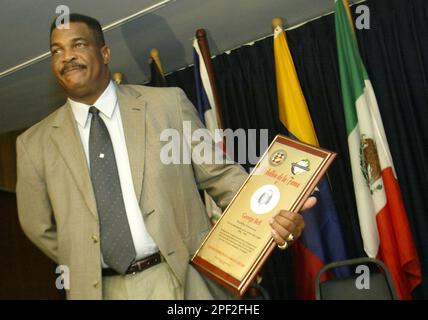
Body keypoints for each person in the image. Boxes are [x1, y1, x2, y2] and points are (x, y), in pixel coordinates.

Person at [16, 13, 316, 300]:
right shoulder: (34, 144)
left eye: (78, 45)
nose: (66, 56)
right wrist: (84, 259)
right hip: (99, 290)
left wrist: (273, 215)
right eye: (57, 50)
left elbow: (220, 175)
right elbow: (39, 226)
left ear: (104, 53)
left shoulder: (167, 105)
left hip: (181, 279)